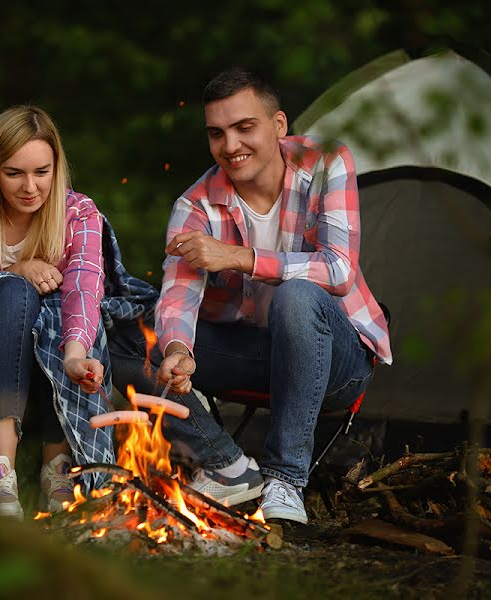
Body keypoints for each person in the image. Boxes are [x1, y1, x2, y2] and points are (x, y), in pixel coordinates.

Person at [151, 67, 393, 524]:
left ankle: (285, 479)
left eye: (245, 128)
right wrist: (179, 348)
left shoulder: (327, 161)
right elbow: (178, 295)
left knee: (297, 296)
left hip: (335, 361)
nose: (231, 146)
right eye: (217, 133)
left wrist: (238, 257)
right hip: (254, 355)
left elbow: (339, 269)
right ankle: (227, 465)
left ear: (279, 126)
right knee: (135, 327)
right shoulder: (195, 205)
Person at [0, 105, 156, 521]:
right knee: (12, 291)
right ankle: (0, 471)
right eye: (14, 173)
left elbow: (84, 286)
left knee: (56, 310)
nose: (30, 187)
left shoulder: (78, 213)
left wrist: (76, 354)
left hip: (49, 368)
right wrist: (15, 271)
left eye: (42, 172)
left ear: (57, 167)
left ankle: (56, 467)